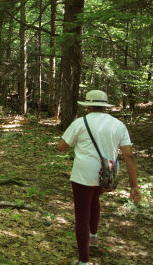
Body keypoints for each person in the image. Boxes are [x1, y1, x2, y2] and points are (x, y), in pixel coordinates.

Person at [56, 90, 141, 265]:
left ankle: (83, 261)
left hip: (83, 173)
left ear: (87, 106)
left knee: (82, 213)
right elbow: (128, 155)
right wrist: (134, 185)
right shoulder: (118, 125)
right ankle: (93, 236)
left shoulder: (80, 123)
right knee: (95, 200)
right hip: (108, 173)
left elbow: (61, 147)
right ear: (105, 106)